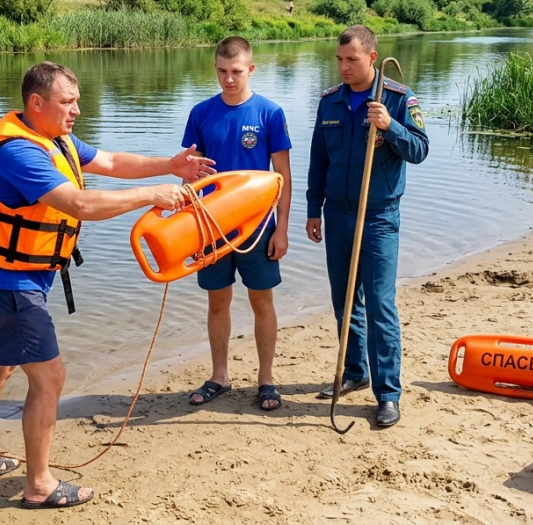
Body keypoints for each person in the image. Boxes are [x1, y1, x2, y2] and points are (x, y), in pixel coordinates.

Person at [0, 62, 215, 508]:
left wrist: (171, 165)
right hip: (11, 284)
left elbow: (112, 161)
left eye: (78, 100)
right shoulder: (17, 153)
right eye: (68, 101)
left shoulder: (51, 136)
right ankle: (39, 486)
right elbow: (78, 203)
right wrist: (153, 194)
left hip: (1, 278)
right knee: (50, 378)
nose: (77, 109)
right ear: (36, 103)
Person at [305, 24, 428, 428]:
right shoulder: (330, 102)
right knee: (344, 300)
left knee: (379, 304)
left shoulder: (395, 98)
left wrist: (390, 126)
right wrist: (312, 209)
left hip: (377, 217)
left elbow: (420, 150)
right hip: (337, 213)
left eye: (351, 60)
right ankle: (354, 372)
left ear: (371, 58)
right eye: (339, 59)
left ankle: (388, 394)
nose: (343, 66)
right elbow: (318, 160)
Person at [181, 37, 293, 412]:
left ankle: (267, 380)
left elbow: (282, 176)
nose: (229, 80)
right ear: (215, 69)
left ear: (251, 70)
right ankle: (219, 376)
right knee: (218, 302)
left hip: (258, 227)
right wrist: (186, 228)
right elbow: (189, 177)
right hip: (211, 226)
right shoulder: (200, 113)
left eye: (237, 72)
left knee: (262, 301)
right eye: (222, 72)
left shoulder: (270, 113)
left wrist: (282, 228)